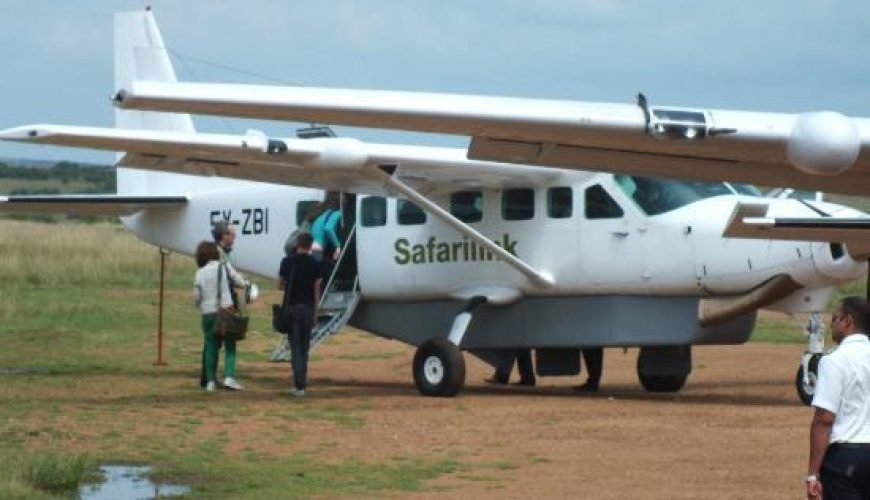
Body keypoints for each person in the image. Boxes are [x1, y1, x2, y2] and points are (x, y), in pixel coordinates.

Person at [806, 296, 870, 500]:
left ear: (848, 322)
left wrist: (812, 474)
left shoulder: (834, 361)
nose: (831, 324)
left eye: (835, 318)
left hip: (845, 458)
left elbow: (824, 419)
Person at [278, 232, 326, 397]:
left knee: (295, 347)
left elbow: (280, 285)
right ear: (310, 245)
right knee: (304, 348)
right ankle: (302, 385)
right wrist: (316, 311)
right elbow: (316, 289)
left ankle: (298, 385)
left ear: (297, 243)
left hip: (292, 308)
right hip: (307, 309)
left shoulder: (287, 262)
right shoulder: (315, 264)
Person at [193, 241, 243, 392]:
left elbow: (196, 296)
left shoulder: (199, 273)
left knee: (211, 347)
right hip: (225, 310)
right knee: (230, 345)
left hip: (207, 313)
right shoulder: (224, 266)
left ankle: (210, 382)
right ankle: (229, 377)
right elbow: (240, 281)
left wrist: (201, 305)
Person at [308, 192, 342, 263]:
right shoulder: (337, 213)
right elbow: (328, 228)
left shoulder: (325, 214)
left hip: (315, 245)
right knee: (319, 269)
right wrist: (338, 245)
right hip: (319, 246)